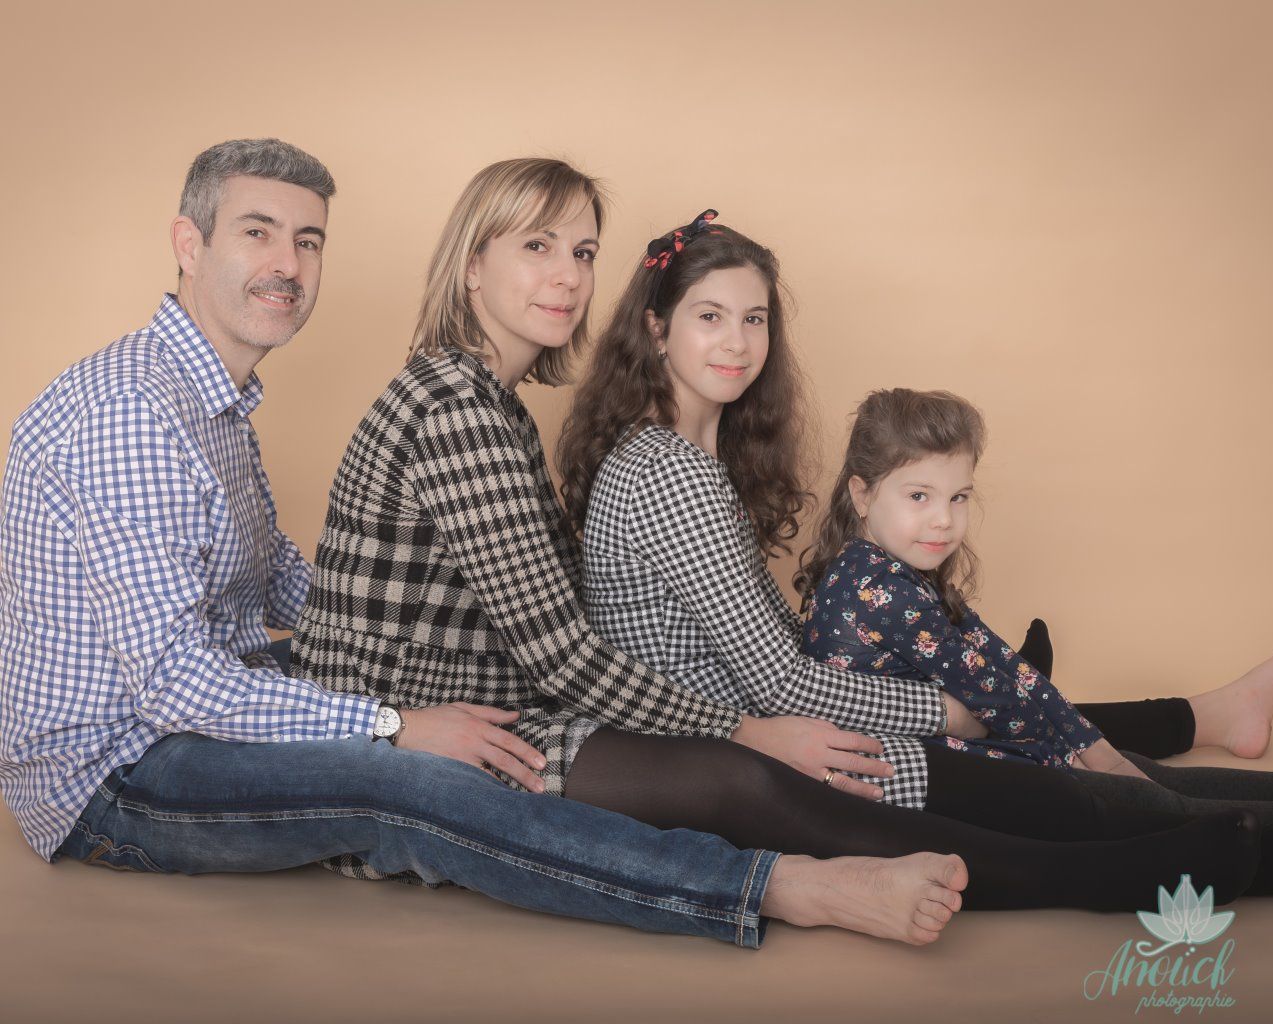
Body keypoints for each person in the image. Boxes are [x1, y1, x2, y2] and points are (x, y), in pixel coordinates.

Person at [0, 139, 984, 950]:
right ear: (187, 242)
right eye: (258, 233)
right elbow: (173, 683)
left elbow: (285, 585)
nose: (288, 265)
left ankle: (977, 784)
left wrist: (366, 650)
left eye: (308, 240)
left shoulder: (219, 404)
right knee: (416, 789)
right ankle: (780, 889)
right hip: (119, 775)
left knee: (560, 754)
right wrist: (389, 721)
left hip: (216, 700)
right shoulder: (134, 413)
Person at [294, 162, 1262, 912]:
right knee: (857, 763)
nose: (565, 275)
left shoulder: (495, 406)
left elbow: (564, 625)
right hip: (439, 738)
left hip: (510, 713)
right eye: (536, 246)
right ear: (471, 264)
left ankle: (1185, 799)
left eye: (582, 252)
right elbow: (568, 655)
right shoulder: (468, 411)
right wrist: (775, 724)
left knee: (994, 741)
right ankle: (1164, 851)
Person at [557, 207, 1273, 896]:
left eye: (755, 318)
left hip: (775, 733)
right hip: (762, 755)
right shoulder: (669, 472)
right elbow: (783, 687)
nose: (738, 343)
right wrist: (947, 710)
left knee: (1069, 750)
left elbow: (771, 652)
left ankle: (1194, 736)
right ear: (657, 330)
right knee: (1084, 794)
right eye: (709, 317)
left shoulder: (687, 460)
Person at [800, 387, 1131, 774]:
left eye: (958, 497)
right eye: (919, 496)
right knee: (1034, 741)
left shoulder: (884, 561)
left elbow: (983, 644)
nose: (944, 519)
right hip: (895, 763)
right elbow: (998, 701)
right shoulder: (881, 589)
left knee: (1020, 689)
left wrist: (1093, 745)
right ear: (861, 495)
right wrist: (1079, 763)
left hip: (952, 710)